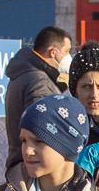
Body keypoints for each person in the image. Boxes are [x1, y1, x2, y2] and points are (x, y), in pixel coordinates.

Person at [4, 26, 72, 176]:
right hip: (35, 167)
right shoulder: (40, 82)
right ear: (53, 52)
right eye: (67, 51)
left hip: (23, 163)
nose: (69, 57)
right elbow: (41, 129)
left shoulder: (24, 75)